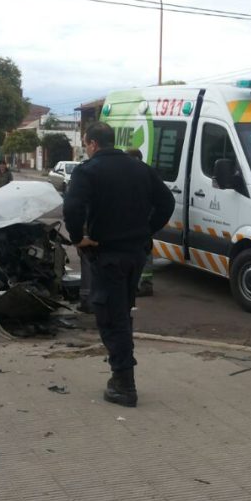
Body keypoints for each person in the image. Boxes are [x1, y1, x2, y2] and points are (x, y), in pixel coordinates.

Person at [63, 122, 174, 407]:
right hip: (135, 253)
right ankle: (122, 375)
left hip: (107, 253)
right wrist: (146, 229)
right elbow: (166, 202)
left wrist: (78, 238)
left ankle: (124, 383)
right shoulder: (141, 168)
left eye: (85, 144)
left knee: (113, 318)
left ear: (92, 144)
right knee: (121, 311)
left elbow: (72, 208)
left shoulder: (88, 171)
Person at [126, 148, 155, 297]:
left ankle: (144, 284)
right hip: (144, 220)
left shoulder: (140, 173)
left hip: (140, 220)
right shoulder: (146, 172)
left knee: (143, 252)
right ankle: (142, 283)